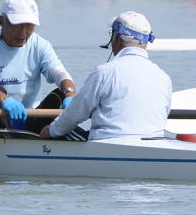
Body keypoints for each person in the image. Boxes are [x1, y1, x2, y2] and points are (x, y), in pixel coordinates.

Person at [41, 11, 171, 142]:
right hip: (154, 142)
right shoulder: (164, 78)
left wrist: (51, 131)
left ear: (116, 39)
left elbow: (75, 114)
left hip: (108, 143)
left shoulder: (104, 72)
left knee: (55, 128)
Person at [0, 0, 76, 132]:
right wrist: (4, 100)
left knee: (61, 93)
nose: (23, 33)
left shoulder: (40, 44)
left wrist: (70, 94)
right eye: (17, 25)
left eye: (29, 26)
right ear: (1, 21)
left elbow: (60, 73)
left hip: (26, 120)